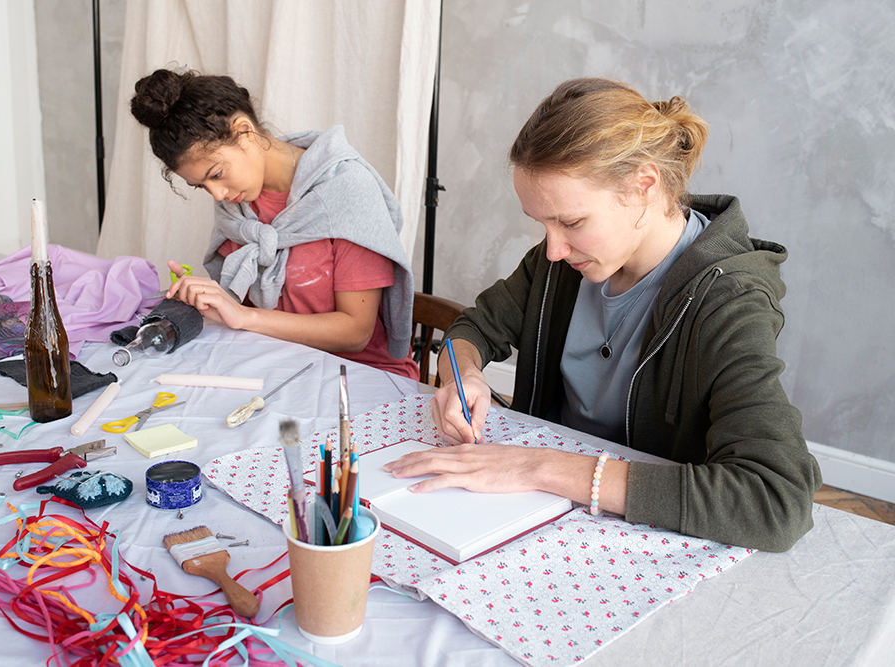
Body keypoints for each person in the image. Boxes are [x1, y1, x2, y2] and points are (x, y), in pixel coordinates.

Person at [384, 78, 821, 552]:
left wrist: (539, 467)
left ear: (644, 186)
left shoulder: (728, 300)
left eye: (571, 222)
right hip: (541, 517)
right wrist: (459, 376)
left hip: (645, 544)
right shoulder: (562, 265)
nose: (552, 248)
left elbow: (777, 501)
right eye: (543, 224)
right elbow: (471, 329)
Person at [129, 68, 418, 379]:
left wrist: (243, 316)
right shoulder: (239, 207)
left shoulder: (346, 190)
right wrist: (215, 301)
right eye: (201, 186)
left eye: (215, 174)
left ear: (244, 131)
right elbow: (249, 307)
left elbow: (356, 332)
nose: (217, 194)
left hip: (363, 376)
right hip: (283, 364)